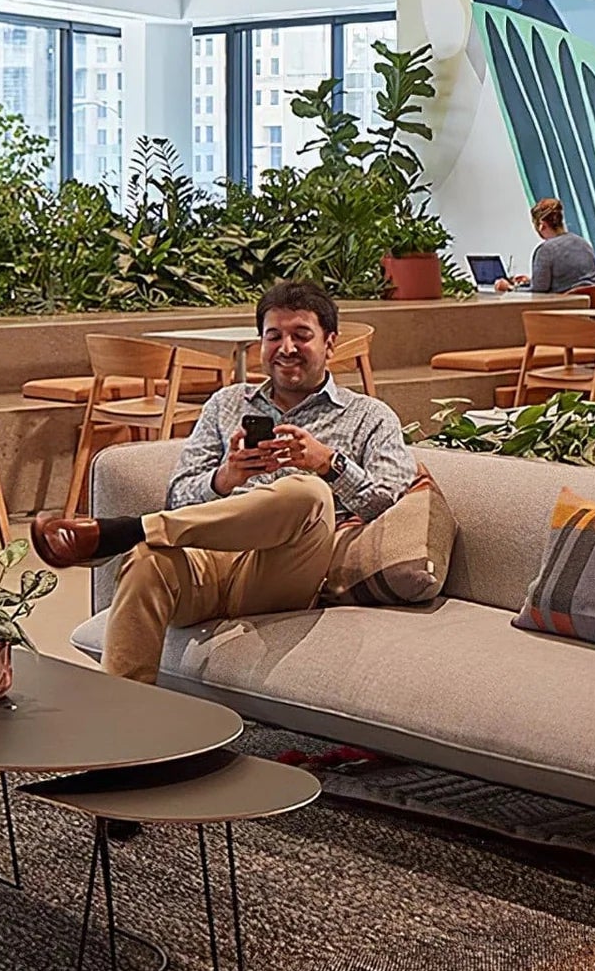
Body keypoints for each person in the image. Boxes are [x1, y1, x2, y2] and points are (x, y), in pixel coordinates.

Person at [28, 278, 416, 684]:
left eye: (302, 336)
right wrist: (225, 479)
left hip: (286, 570)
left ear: (330, 343)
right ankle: (123, 712)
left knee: (309, 491)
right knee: (146, 561)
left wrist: (328, 464)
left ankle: (129, 529)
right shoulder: (227, 403)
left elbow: (388, 501)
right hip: (211, 556)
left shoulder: (369, 415)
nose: (286, 348)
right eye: (274, 336)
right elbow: (179, 495)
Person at [497, 197, 595, 294]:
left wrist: (509, 288)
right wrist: (532, 281)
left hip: (565, 305)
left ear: (541, 225)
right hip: (593, 304)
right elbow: (573, 281)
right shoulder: (584, 244)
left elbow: (537, 293)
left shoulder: (545, 250)